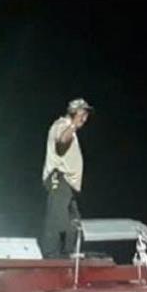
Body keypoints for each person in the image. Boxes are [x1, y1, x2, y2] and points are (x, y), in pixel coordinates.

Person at [40, 98, 92, 258]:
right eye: (83, 114)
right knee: (57, 217)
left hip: (68, 184)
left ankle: (69, 253)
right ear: (75, 113)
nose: (85, 118)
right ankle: (51, 255)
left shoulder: (69, 129)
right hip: (60, 178)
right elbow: (62, 140)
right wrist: (74, 124)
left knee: (73, 222)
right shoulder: (62, 125)